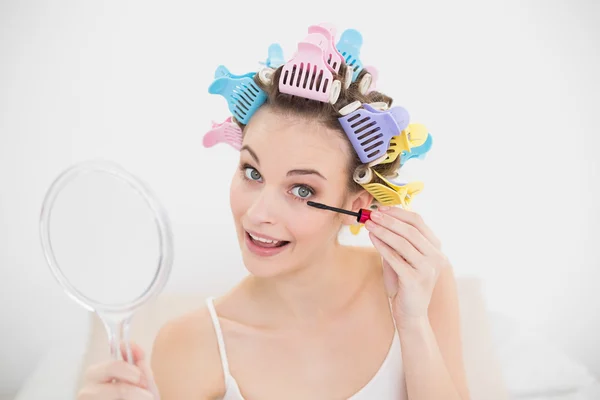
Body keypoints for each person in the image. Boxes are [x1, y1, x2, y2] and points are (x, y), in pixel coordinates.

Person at [77, 24, 471, 400]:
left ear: (357, 207)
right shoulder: (190, 346)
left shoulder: (419, 288)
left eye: (302, 189)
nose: (258, 213)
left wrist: (413, 322)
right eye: (252, 172)